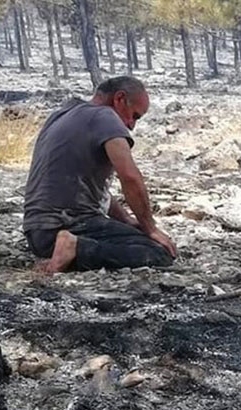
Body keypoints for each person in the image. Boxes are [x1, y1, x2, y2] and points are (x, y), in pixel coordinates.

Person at [23, 76, 177, 273]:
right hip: (70, 225)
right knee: (158, 253)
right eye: (135, 116)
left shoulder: (61, 115)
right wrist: (150, 228)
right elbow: (129, 176)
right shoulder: (105, 117)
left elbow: (91, 187)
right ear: (119, 99)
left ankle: (67, 251)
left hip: (38, 235)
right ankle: (76, 247)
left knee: (131, 237)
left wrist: (127, 220)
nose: (131, 125)